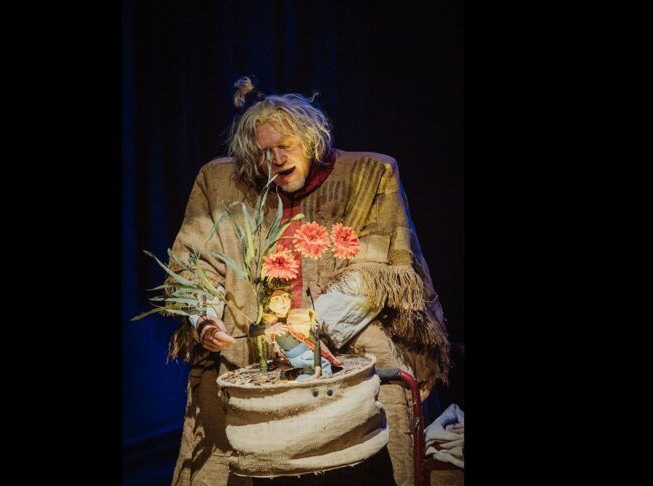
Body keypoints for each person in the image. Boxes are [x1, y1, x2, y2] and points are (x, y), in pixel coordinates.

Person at [166, 76, 451, 486]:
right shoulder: (219, 183)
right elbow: (195, 263)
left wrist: (312, 324)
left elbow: (376, 269)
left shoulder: (369, 175)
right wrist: (204, 318)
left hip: (348, 352)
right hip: (247, 363)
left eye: (286, 146)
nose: (276, 160)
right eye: (263, 152)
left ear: (311, 139)